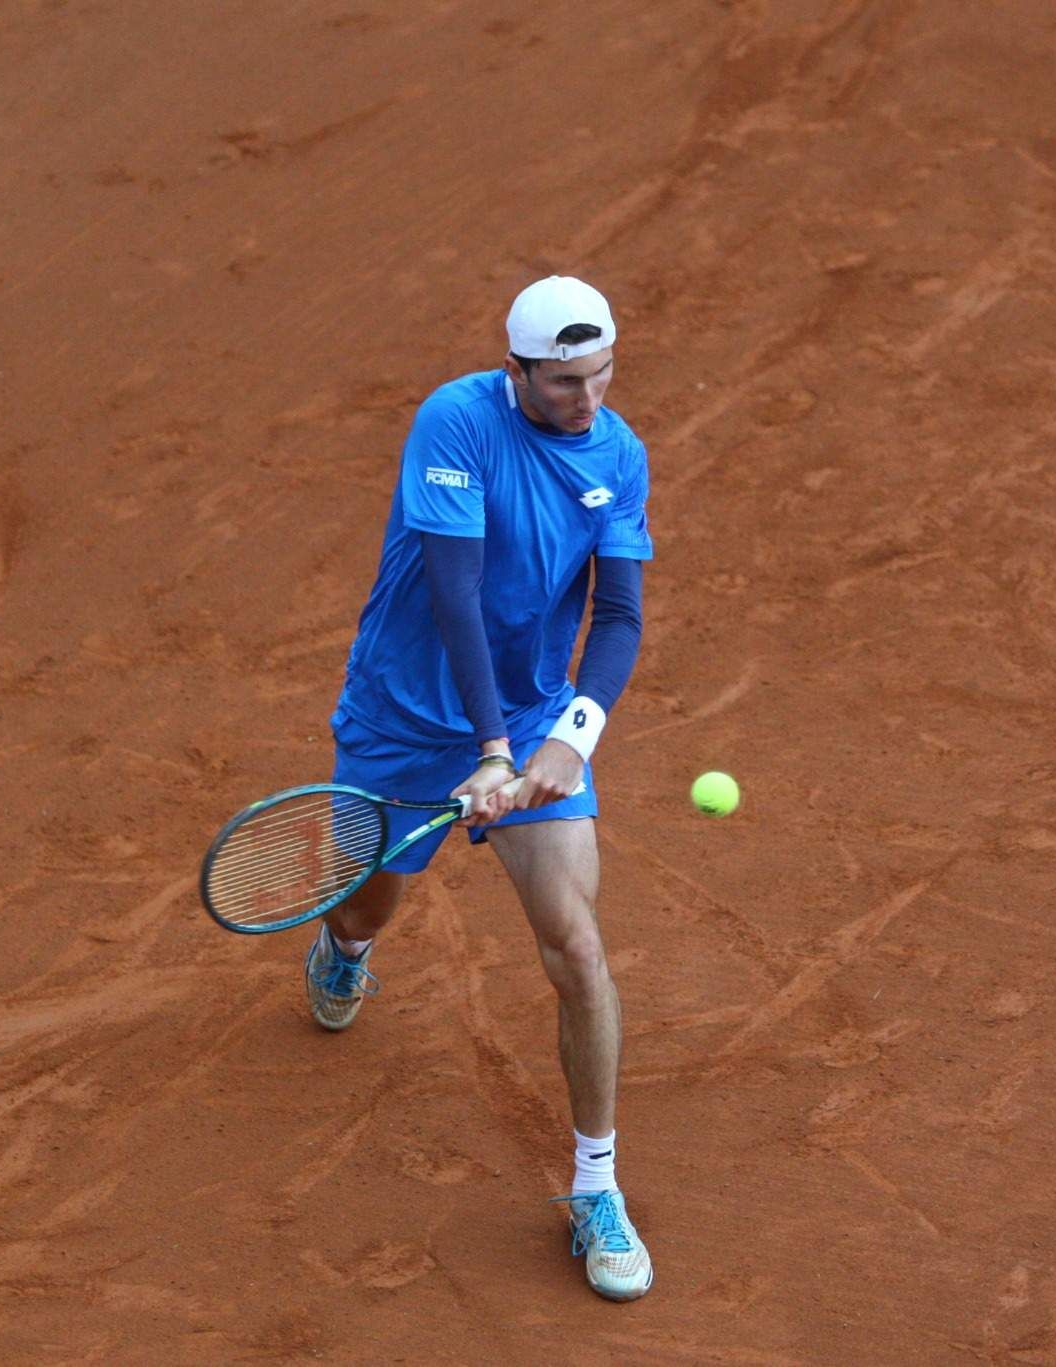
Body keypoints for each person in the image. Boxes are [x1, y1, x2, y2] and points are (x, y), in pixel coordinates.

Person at [310, 275, 654, 1302]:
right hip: (404, 716)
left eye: (601, 376)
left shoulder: (618, 453)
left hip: (534, 717)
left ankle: (595, 1185)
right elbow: (454, 590)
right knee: (365, 903)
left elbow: (618, 615)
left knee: (577, 946)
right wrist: (491, 748)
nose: (587, 401)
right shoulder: (455, 421)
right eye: (564, 383)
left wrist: (569, 739)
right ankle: (343, 949)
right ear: (517, 372)